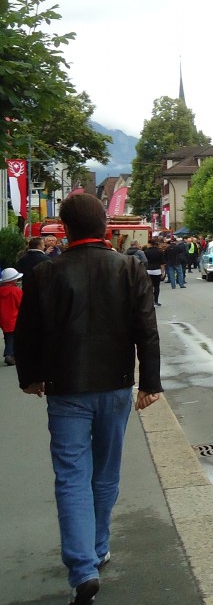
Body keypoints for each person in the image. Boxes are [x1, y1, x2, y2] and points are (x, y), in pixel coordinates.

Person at [14, 193, 162, 604]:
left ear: (65, 229)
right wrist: (149, 382)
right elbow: (146, 329)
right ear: (104, 228)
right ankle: (98, 548)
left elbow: (28, 331)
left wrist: (31, 376)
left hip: (65, 389)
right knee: (105, 474)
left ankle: (82, 569)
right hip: (115, 386)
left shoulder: (45, 273)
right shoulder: (128, 268)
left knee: (71, 476)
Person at [1, 267, 22, 366]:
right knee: (12, 337)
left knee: (7, 336)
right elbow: (21, 304)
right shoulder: (15, 291)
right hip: (14, 318)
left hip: (3, 319)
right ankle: (9, 354)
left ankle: (11, 353)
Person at [143, 237, 165, 305]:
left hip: (148, 270)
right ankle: (156, 301)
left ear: (149, 244)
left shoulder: (145, 252)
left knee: (149, 287)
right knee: (156, 286)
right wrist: (162, 272)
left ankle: (149, 301)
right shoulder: (160, 251)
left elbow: (144, 262)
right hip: (157, 270)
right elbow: (162, 263)